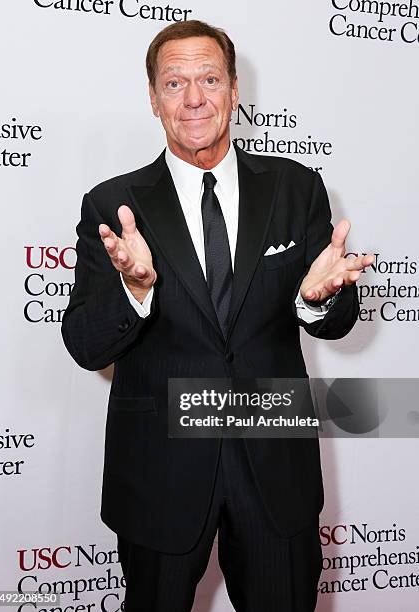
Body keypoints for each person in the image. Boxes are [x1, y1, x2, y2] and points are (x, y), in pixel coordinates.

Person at [61, 20, 374, 612]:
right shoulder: (112, 204)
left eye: (209, 79)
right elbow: (84, 345)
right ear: (153, 99)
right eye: (174, 83)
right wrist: (133, 290)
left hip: (274, 463)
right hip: (160, 467)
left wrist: (314, 300)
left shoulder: (296, 188)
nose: (194, 98)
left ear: (234, 89)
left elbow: (338, 321)